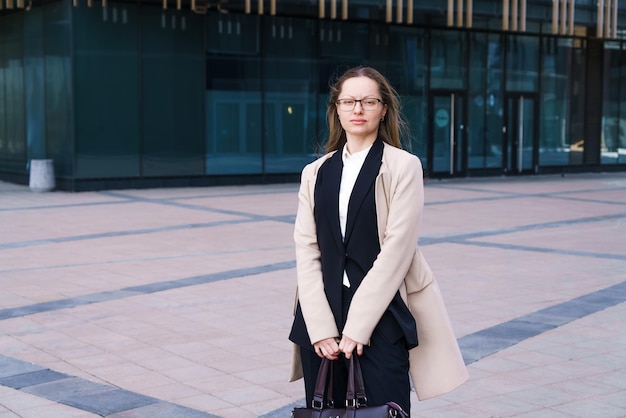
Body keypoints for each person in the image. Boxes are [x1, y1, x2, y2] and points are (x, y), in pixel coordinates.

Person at [288, 66, 468, 413]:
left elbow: (396, 251)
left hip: (380, 315)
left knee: (384, 410)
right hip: (319, 314)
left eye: (368, 101)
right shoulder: (315, 172)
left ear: (383, 108)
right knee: (324, 411)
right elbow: (307, 250)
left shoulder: (403, 166)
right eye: (349, 101)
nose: (358, 109)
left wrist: (357, 326)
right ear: (336, 109)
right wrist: (320, 327)